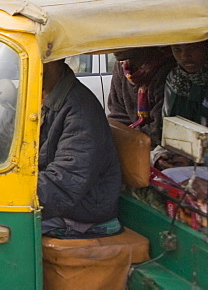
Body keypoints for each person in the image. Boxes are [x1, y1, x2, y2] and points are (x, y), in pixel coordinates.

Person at [38, 59, 122, 238]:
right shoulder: (35, 96)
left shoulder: (81, 110)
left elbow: (65, 184)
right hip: (53, 198)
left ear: (51, 60)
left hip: (81, 210)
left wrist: (11, 191)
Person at [107, 47, 173, 145]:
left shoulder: (165, 69)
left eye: (122, 40)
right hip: (132, 142)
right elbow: (117, 113)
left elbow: (159, 128)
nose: (113, 48)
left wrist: (127, 137)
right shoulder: (120, 68)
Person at [165, 41, 208, 127]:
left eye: (192, 48)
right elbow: (166, 119)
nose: (184, 56)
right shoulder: (175, 77)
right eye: (177, 49)